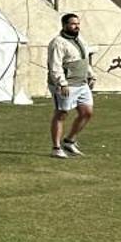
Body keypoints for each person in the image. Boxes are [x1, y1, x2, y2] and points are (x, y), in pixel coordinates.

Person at [47, 12, 95, 158]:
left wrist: (90, 74)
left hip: (81, 83)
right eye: (73, 24)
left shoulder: (79, 39)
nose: (76, 26)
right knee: (61, 113)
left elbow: (84, 58)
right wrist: (61, 83)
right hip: (66, 84)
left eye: (78, 24)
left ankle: (69, 141)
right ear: (65, 25)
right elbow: (55, 65)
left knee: (87, 112)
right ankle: (56, 148)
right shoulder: (58, 42)